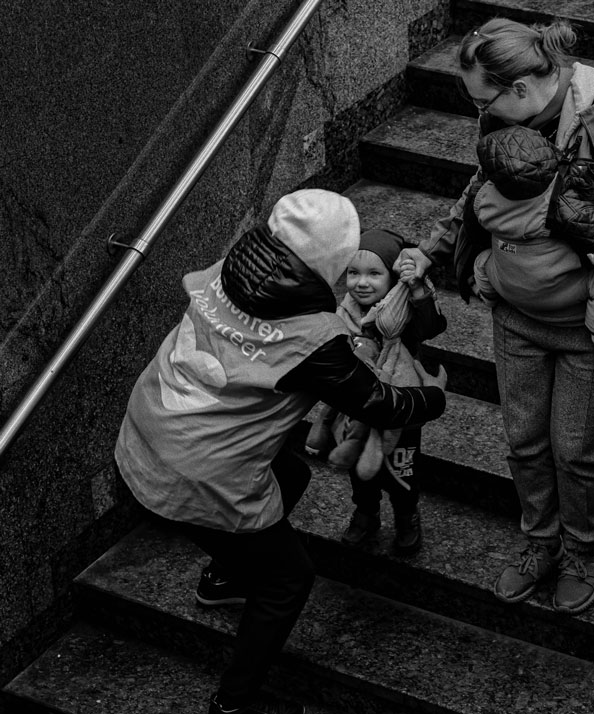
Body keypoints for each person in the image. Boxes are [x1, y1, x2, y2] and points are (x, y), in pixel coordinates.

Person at [394, 18, 594, 615]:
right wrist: (431, 251)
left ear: (520, 89)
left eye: (484, 100)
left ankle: (582, 550)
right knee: (525, 441)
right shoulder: (500, 121)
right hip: (515, 317)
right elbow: (475, 193)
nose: (479, 114)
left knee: (577, 451)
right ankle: (540, 541)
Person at [113, 190, 447, 714]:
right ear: (334, 260)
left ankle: (224, 578)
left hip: (150, 426)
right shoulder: (313, 339)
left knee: (290, 475)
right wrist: (433, 396)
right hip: (200, 468)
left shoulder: (232, 269)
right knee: (288, 580)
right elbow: (379, 404)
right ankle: (234, 701)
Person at [304, 228, 447, 555]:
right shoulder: (344, 312)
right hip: (357, 404)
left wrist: (417, 289)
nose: (361, 282)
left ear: (392, 277)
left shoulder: (403, 310)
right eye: (353, 273)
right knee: (359, 466)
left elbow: (432, 327)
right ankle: (366, 512)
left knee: (402, 467)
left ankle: (406, 514)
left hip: (402, 406)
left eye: (374, 273)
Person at [469, 123, 594, 346]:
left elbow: (471, 231)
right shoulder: (562, 207)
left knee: (482, 260)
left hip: (506, 285)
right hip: (552, 293)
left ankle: (487, 296)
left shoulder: (481, 196)